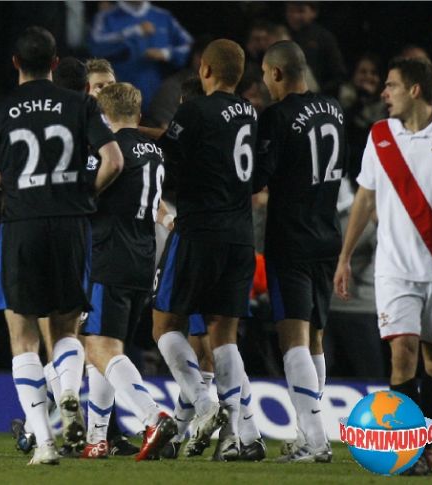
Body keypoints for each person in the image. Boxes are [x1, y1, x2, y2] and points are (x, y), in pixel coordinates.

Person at [0, 26, 124, 466]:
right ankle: (68, 392)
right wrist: (85, 194)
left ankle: (45, 444)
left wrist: (2, 178)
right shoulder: (81, 104)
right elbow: (114, 160)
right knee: (66, 330)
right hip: (71, 226)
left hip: (22, 226)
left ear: (15, 63)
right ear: (54, 63)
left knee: (24, 337)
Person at [333, 57, 432, 476]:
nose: (383, 93)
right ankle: (410, 451)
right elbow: (365, 197)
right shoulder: (380, 135)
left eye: (391, 86)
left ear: (414, 90)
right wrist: (344, 257)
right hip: (394, 267)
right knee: (403, 354)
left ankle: (423, 439)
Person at [152, 38, 257, 462]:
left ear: (205, 70)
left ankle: (203, 402)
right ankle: (237, 438)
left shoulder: (194, 110)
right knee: (223, 336)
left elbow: (167, 159)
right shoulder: (250, 112)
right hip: (241, 235)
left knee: (164, 326)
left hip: (199, 231)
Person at [253, 40, 346, 463]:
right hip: (327, 233)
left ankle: (316, 441)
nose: (265, 84)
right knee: (315, 340)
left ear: (276, 73)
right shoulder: (334, 109)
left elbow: (257, 177)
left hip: (291, 237)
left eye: (265, 76)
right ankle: (307, 433)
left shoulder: (277, 116)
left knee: (293, 339)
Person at [79, 82, 177, 461]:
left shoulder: (109, 149)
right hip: (143, 259)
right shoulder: (155, 151)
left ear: (104, 116)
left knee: (97, 346)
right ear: (138, 114)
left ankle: (153, 417)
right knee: (107, 349)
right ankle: (97, 438)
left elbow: (87, 194)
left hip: (110, 255)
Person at [89, 1, 193, 108]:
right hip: (117, 102)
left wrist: (167, 53)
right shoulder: (105, 17)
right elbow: (95, 47)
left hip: (158, 101)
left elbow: (191, 46)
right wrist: (133, 32)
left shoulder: (163, 17)